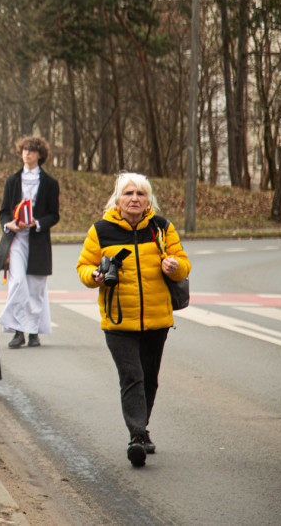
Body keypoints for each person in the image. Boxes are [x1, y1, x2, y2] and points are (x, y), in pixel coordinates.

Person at [76, 173, 190, 467]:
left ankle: (142, 428)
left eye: (141, 193)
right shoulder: (101, 230)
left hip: (156, 320)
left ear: (149, 199)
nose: (135, 199)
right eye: (128, 193)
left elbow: (184, 265)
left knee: (149, 379)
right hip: (119, 322)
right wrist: (95, 276)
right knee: (132, 376)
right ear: (117, 199)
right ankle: (137, 436)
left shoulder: (161, 228)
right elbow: (84, 267)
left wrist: (174, 266)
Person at [0, 136, 60, 348]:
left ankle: (32, 332)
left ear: (40, 155)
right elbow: (4, 211)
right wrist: (10, 224)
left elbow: (54, 215)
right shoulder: (12, 181)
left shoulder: (50, 183)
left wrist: (37, 223)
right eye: (24, 149)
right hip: (16, 239)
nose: (27, 153)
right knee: (17, 284)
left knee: (35, 287)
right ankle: (17, 331)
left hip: (38, 240)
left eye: (32, 151)